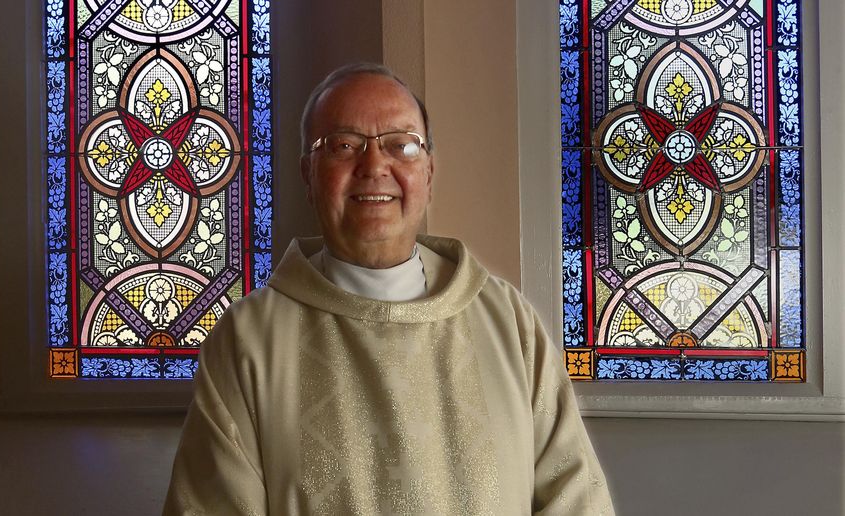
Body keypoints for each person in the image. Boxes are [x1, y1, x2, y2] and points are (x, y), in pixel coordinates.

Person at [164, 63, 614, 515]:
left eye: (401, 145)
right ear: (309, 174)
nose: (375, 165)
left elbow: (574, 496)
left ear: (429, 173)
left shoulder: (507, 320)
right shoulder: (250, 339)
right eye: (344, 145)